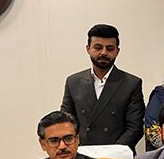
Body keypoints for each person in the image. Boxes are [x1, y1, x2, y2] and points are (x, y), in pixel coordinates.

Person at [61, 24, 145, 152]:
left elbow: (135, 128)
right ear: (88, 49)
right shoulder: (73, 82)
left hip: (118, 157)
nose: (104, 53)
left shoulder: (132, 83)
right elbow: (66, 124)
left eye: (110, 48)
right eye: (98, 47)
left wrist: (112, 153)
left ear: (117, 51)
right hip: (82, 155)